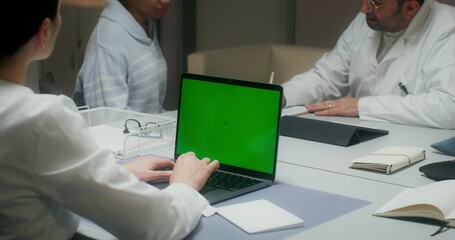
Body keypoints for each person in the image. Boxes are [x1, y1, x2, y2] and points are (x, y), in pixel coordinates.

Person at [0, 1, 219, 239]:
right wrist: (185, 185)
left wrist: (115, 174)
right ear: (44, 32)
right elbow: (159, 224)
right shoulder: (41, 119)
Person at [282, 0, 455, 129]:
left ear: (410, 8)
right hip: (360, 137)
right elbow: (324, 78)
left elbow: (448, 108)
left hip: (416, 146)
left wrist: (360, 106)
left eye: (375, 3)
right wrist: (280, 96)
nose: (364, 9)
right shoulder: (366, 21)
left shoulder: (447, 27)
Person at [72, 0, 170, 113]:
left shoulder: (145, 26)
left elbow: (153, 110)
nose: (166, 1)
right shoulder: (108, 42)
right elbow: (109, 123)